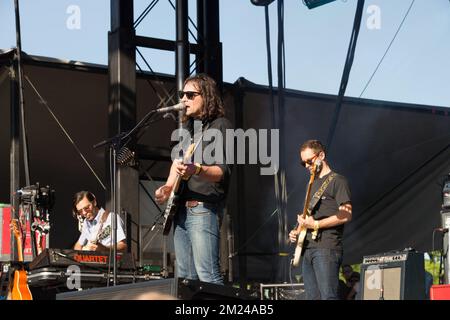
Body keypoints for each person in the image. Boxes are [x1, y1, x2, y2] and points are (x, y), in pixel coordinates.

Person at [155, 74, 232, 285]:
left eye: (190, 95)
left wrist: (196, 169)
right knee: (186, 279)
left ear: (206, 97)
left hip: (202, 208)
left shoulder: (220, 125)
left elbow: (221, 171)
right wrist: (168, 187)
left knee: (208, 275)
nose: (183, 100)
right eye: (182, 95)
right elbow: (177, 162)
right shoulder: (188, 129)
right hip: (180, 210)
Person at [289, 139, 352, 300]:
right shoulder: (312, 184)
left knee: (328, 297)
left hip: (327, 248)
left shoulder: (338, 181)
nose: (307, 166)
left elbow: (346, 214)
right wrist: (296, 231)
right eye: (303, 164)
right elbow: (308, 215)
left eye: (309, 161)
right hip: (307, 248)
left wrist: (316, 224)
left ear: (321, 155)